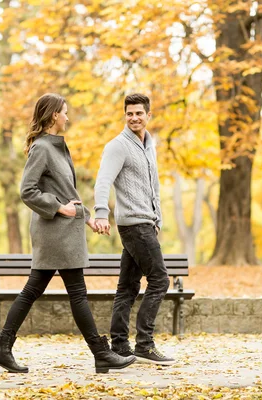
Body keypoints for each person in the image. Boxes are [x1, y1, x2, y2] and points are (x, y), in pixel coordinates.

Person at [0, 93, 136, 374]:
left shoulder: (56, 146)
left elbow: (69, 196)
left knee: (35, 290)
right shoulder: (42, 148)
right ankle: (100, 352)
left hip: (61, 231)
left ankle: (2, 348)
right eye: (65, 112)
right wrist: (59, 209)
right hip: (55, 232)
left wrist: (88, 219)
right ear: (54, 115)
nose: (68, 117)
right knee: (76, 293)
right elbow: (27, 191)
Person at [93, 93, 175, 365]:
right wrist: (101, 212)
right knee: (160, 280)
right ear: (125, 116)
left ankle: (119, 345)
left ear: (148, 115)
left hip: (146, 223)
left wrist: (158, 219)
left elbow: (155, 187)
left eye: (139, 113)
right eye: (129, 113)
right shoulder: (118, 146)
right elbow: (103, 181)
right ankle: (144, 343)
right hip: (133, 223)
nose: (134, 117)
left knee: (127, 287)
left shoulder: (149, 145)